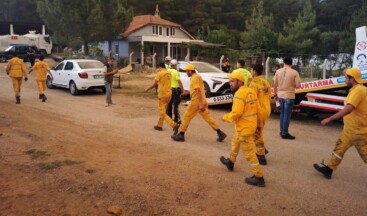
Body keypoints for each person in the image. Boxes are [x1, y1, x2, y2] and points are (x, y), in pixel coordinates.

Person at [314, 68, 367, 179]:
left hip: (358, 131)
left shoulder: (358, 91)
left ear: (352, 79)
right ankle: (329, 169)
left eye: (346, 77)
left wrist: (330, 119)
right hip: (350, 129)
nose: (344, 79)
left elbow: (348, 109)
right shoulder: (358, 89)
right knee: (339, 148)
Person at [219, 72, 265, 187]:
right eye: (230, 81)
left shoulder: (239, 94)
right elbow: (258, 110)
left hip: (244, 128)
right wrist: (259, 125)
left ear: (240, 82)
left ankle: (259, 177)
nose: (230, 83)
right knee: (235, 142)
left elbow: (236, 113)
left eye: (233, 81)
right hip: (248, 126)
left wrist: (225, 117)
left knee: (249, 153)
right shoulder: (251, 91)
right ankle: (230, 161)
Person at [171, 64, 227, 142]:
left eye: (187, 71)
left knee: (186, 117)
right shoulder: (197, 77)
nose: (186, 72)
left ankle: (181, 134)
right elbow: (196, 89)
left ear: (190, 71)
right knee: (208, 118)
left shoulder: (194, 78)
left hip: (196, 102)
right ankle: (220, 133)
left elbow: (198, 90)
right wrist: (187, 93)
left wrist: (200, 104)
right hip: (202, 100)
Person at [145, 62, 180, 133]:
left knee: (162, 112)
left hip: (162, 94)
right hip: (169, 94)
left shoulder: (160, 73)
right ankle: (159, 125)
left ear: (159, 67)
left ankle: (173, 124)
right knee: (163, 110)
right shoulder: (169, 73)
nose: (157, 70)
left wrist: (147, 89)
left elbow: (154, 84)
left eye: (157, 68)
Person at [273, 57, 301, 139]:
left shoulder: (278, 71)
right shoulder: (294, 72)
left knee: (282, 114)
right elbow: (298, 86)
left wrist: (275, 94)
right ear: (291, 64)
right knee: (287, 115)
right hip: (289, 95)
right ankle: (285, 133)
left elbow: (274, 84)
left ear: (284, 63)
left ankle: (282, 131)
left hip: (280, 95)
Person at [249, 64, 271, 165]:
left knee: (256, 133)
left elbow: (252, 99)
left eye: (251, 70)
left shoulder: (253, 83)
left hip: (258, 111)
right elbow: (269, 96)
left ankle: (261, 156)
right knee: (258, 131)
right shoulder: (266, 82)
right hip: (266, 110)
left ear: (254, 72)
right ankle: (262, 149)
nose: (250, 71)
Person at [166, 59, 184, 123]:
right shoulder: (176, 72)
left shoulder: (167, 71)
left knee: (169, 104)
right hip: (175, 90)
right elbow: (179, 81)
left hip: (168, 90)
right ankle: (177, 119)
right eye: (176, 65)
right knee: (176, 105)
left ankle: (169, 118)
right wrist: (183, 90)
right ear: (175, 65)